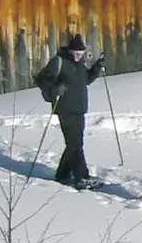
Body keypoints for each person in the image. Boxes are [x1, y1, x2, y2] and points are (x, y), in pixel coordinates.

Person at [36, 34, 107, 188]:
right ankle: (82, 177)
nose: (79, 57)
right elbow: (41, 79)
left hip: (79, 108)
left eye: (81, 54)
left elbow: (86, 79)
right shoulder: (59, 61)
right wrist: (56, 89)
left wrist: (97, 66)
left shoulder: (80, 64)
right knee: (75, 143)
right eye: (76, 54)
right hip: (64, 108)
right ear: (70, 51)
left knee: (75, 143)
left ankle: (62, 174)